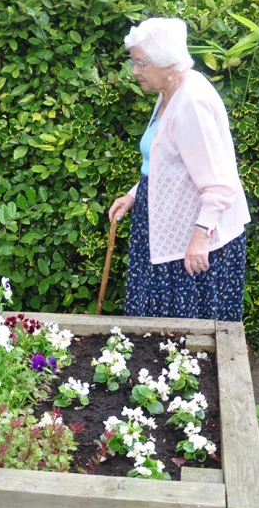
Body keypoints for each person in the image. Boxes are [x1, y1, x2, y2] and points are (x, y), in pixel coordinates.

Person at [107, 18, 251, 321]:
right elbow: (167, 160)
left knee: (183, 334)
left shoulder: (191, 104)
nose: (134, 71)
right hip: (164, 221)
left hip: (192, 237)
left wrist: (201, 239)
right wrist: (136, 193)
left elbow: (219, 185)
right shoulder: (169, 90)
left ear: (167, 63)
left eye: (140, 63)